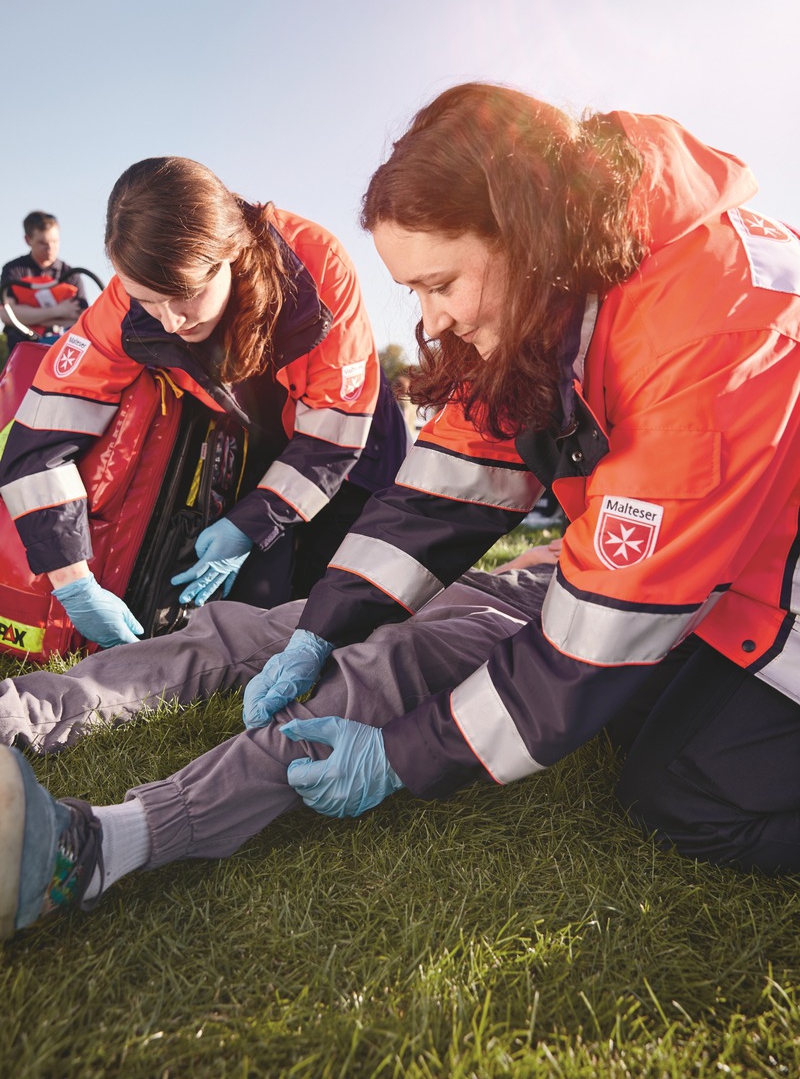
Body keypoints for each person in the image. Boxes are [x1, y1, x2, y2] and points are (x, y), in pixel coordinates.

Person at [230, 84, 800, 874]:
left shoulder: (705, 333)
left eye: (440, 284)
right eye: (413, 293)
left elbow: (597, 636)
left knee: (676, 793)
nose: (429, 323)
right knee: (625, 721)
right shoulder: (567, 285)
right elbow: (449, 485)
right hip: (746, 577)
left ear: (526, 236)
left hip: (782, 599)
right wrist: (321, 625)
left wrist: (402, 755)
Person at [0, 543, 560, 937]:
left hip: (530, 623)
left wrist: (401, 754)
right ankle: (17, 711)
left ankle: (97, 848)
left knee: (390, 664)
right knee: (243, 631)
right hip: (465, 585)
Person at [0, 159, 410, 649]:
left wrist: (255, 521)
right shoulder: (122, 303)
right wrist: (75, 585)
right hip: (247, 433)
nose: (169, 322)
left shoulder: (317, 268)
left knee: (352, 611)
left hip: (355, 444)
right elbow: (37, 444)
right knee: (259, 616)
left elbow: (334, 431)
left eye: (185, 296)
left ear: (231, 254)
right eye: (148, 301)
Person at [0, 211, 87, 353]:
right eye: (43, 243)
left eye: (54, 241)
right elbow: (7, 315)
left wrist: (27, 317)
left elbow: (80, 320)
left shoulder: (72, 275)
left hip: (64, 351)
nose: (50, 247)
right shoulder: (14, 270)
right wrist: (59, 311)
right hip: (23, 350)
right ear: (28, 240)